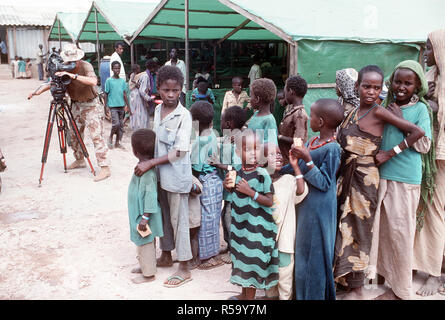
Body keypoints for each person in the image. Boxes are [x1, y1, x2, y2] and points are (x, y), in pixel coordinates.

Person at [333, 65, 426, 300]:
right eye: (366, 86)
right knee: (344, 228)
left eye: (376, 87)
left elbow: (417, 133)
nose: (371, 92)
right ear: (357, 87)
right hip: (347, 177)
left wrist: (390, 152)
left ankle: (357, 288)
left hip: (365, 180)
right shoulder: (354, 111)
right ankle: (345, 280)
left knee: (360, 230)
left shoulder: (380, 112)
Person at [369, 60, 432, 300]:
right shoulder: (387, 104)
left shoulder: (420, 110)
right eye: (398, 81)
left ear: (417, 86)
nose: (401, 87)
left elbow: (424, 145)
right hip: (383, 176)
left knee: (401, 235)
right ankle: (388, 283)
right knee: (384, 233)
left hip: (405, 180)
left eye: (408, 83)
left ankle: (402, 291)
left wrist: (399, 121)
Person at [134, 65, 193, 288]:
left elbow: (179, 151)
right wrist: (145, 159)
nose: (170, 95)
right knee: (164, 217)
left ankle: (185, 266)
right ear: (158, 89)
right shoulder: (158, 110)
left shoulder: (184, 116)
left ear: (181, 91)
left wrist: (151, 162)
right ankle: (166, 255)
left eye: (175, 91)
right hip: (159, 175)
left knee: (179, 222)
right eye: (166, 90)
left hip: (177, 178)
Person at [28, 43, 111, 182]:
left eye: (75, 60)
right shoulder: (62, 66)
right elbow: (51, 83)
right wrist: (36, 92)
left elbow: (93, 81)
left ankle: (104, 167)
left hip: (91, 104)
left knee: (96, 136)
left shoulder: (85, 66)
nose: (73, 63)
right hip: (76, 105)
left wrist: (72, 76)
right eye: (70, 61)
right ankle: (79, 159)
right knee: (73, 135)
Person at [288, 98, 343, 300]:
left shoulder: (333, 149)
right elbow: (299, 168)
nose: (308, 119)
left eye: (311, 116)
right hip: (306, 207)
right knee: (302, 252)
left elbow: (325, 182)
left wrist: (308, 159)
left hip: (320, 210)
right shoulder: (312, 142)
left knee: (317, 257)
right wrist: (283, 166)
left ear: (320, 122)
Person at [222, 129, 278, 300]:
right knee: (240, 260)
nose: (254, 153)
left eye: (257, 148)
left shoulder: (262, 174)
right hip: (240, 228)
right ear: (239, 153)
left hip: (256, 230)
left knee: (251, 265)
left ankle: (248, 299)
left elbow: (269, 201)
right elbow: (233, 192)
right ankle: (243, 294)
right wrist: (227, 185)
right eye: (248, 150)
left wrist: (250, 192)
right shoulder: (237, 171)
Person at [413, 29, 445, 297]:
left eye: (428, 48)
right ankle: (433, 271)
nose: (425, 53)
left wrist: (431, 102)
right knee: (433, 212)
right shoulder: (431, 78)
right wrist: (425, 98)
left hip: (442, 156)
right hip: (435, 156)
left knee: (436, 213)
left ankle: (436, 273)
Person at [261, 143, 307, 300]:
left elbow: (300, 191)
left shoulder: (287, 180)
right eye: (273, 154)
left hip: (284, 240)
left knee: (284, 274)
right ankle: (270, 296)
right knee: (268, 273)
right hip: (265, 239)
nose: (279, 156)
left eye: (280, 153)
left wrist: (296, 168)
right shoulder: (259, 182)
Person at [189, 101, 224, 270]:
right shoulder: (212, 135)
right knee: (212, 218)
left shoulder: (198, 141)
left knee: (206, 219)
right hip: (215, 181)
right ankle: (210, 253)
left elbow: (195, 168)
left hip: (206, 181)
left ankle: (206, 256)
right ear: (211, 121)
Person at [127, 129, 163, 284]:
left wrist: (145, 218)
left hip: (144, 216)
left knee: (146, 243)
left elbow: (150, 196)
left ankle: (148, 274)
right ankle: (145, 265)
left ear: (135, 151)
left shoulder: (147, 173)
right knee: (143, 243)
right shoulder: (142, 166)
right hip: (140, 214)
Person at [212, 106, 246, 265]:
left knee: (229, 217)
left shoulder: (238, 142)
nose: (220, 124)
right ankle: (228, 245)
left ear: (229, 124)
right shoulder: (229, 138)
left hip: (233, 191)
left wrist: (220, 165)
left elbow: (237, 167)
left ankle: (234, 249)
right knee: (224, 215)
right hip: (228, 192)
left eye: (222, 121)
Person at [278, 75, 309, 165]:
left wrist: (279, 137)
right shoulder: (292, 111)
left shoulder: (299, 115)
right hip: (286, 159)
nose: (285, 95)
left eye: (285, 92)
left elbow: (298, 142)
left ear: (291, 91)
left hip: (291, 163)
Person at [104, 61, 130, 149]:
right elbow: (106, 93)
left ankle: (117, 142)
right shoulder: (109, 81)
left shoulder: (122, 81)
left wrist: (128, 106)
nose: (117, 70)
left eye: (118, 68)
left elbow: (124, 94)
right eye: (115, 68)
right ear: (112, 69)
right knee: (116, 124)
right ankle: (110, 137)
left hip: (121, 106)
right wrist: (105, 106)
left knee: (121, 126)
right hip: (112, 106)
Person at [246, 78, 278, 145]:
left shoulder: (269, 120)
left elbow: (272, 145)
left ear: (257, 99)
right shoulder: (256, 114)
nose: (249, 99)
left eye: (251, 96)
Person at [138, 59, 159, 130]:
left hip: (144, 98)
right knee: (144, 117)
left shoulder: (147, 75)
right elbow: (142, 91)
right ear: (152, 68)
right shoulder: (146, 76)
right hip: (141, 99)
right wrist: (149, 99)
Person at [128, 64, 146, 131]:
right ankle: (136, 124)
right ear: (136, 69)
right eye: (138, 68)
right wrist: (136, 84)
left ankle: (135, 124)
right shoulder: (133, 75)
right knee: (136, 108)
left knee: (134, 108)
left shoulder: (136, 75)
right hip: (134, 93)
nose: (139, 69)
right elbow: (132, 80)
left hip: (133, 93)